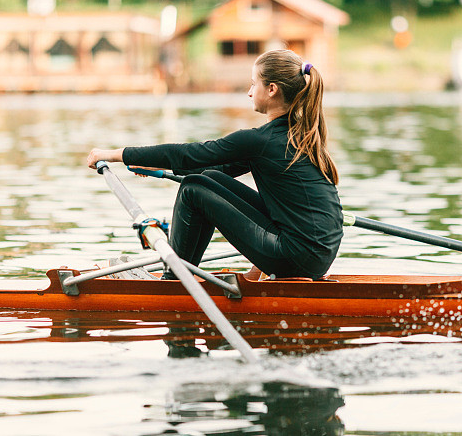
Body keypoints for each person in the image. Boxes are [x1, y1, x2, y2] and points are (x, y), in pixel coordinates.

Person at [86, 49, 342, 279]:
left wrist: (116, 154)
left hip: (296, 257)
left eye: (254, 84)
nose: (250, 91)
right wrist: (159, 168)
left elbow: (192, 154)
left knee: (192, 188)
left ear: (272, 89)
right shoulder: (301, 135)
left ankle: (175, 280)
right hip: (318, 256)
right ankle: (254, 274)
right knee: (207, 179)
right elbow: (217, 170)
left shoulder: (260, 141)